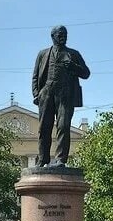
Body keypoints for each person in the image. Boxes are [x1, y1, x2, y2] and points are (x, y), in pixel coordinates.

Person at [31, 25, 91, 167]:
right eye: (60, 34)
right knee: (44, 127)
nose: (63, 36)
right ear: (53, 37)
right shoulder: (43, 54)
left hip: (65, 94)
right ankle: (43, 159)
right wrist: (36, 94)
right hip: (46, 92)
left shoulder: (73, 54)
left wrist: (73, 67)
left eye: (65, 34)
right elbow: (35, 76)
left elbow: (86, 73)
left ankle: (60, 159)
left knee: (63, 126)